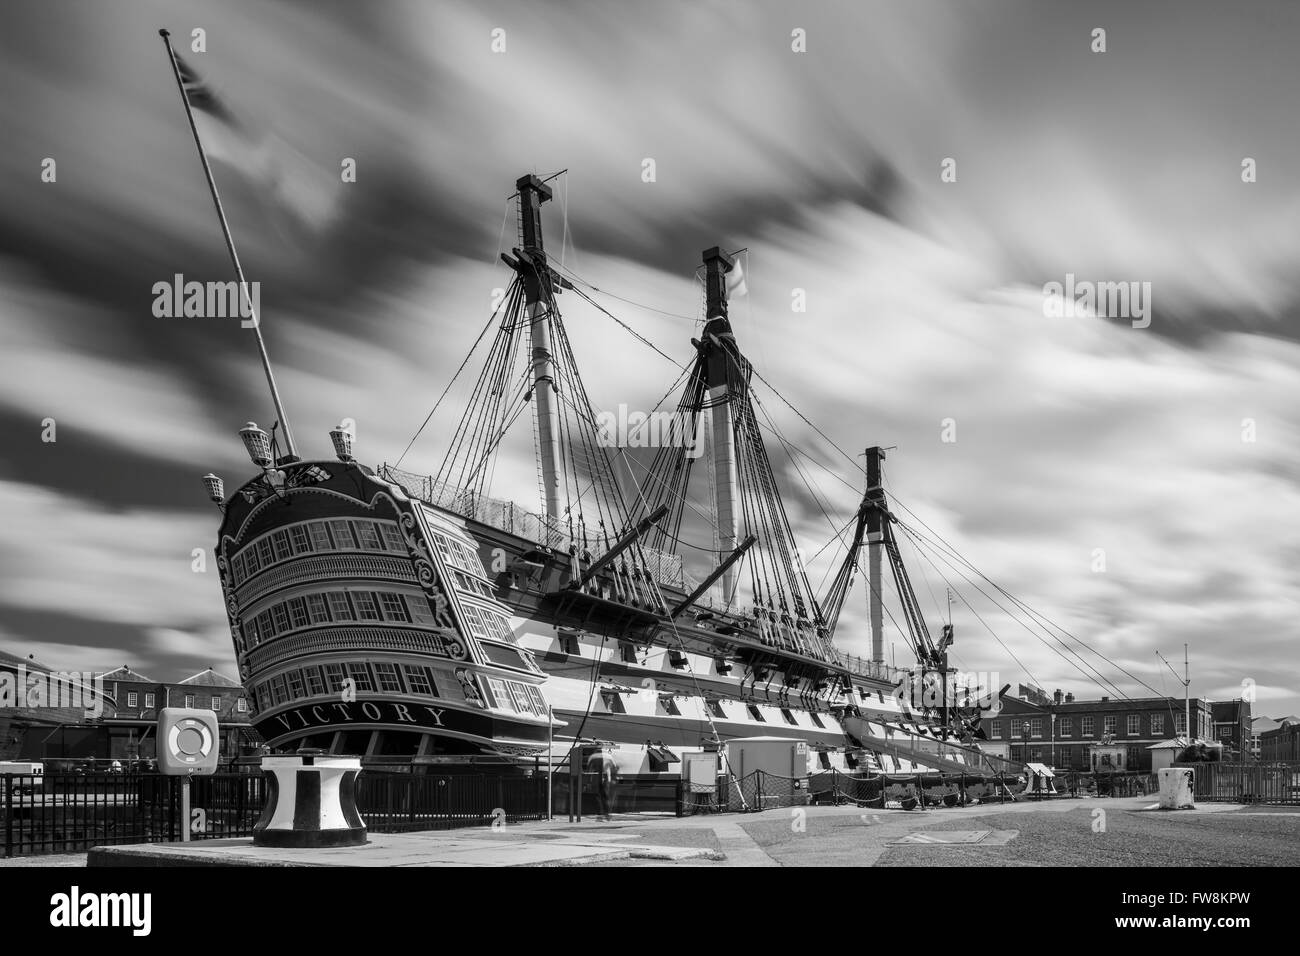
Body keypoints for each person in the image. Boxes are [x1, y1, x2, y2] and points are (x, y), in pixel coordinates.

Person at [588, 750, 618, 821]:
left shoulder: (592, 757)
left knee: (597, 797)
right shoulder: (609, 757)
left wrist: (588, 781)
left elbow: (589, 769)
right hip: (606, 779)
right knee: (606, 797)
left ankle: (599, 815)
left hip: (595, 779)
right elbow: (614, 767)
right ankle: (607, 814)